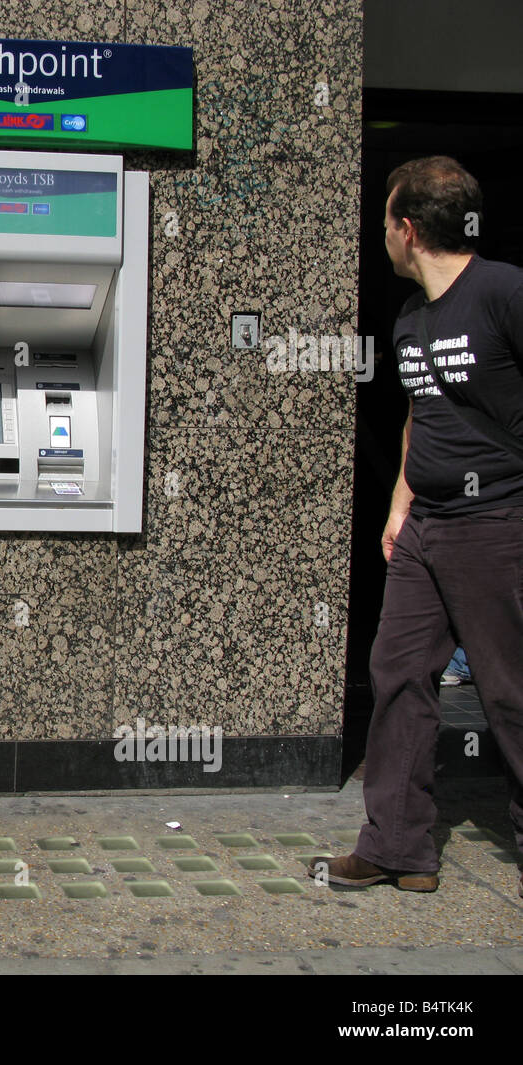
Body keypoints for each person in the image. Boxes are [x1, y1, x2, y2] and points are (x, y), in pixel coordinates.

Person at [315, 157, 523, 895]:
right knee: (398, 676)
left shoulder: (503, 291)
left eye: (383, 226)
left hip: (496, 521)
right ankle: (397, 845)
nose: (382, 240)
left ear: (408, 229)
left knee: (508, 690)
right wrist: (399, 506)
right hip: (425, 526)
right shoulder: (410, 318)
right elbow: (421, 415)